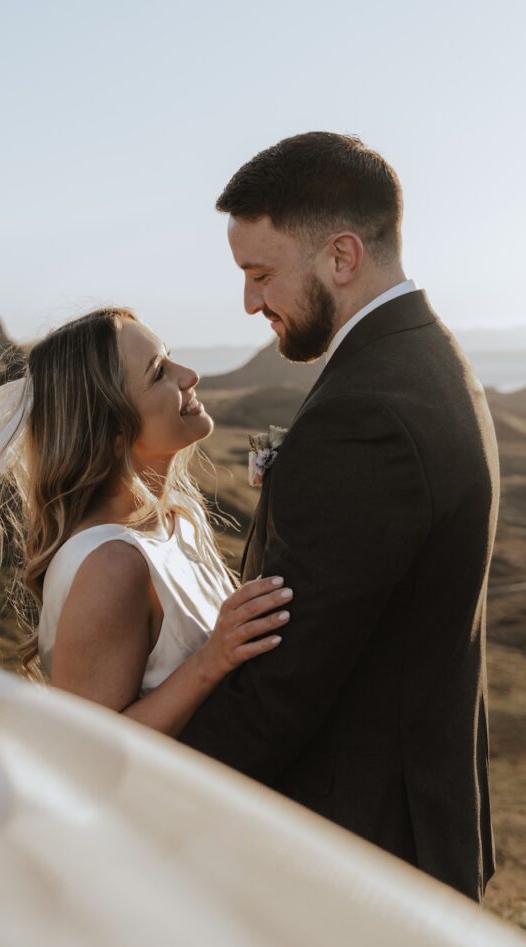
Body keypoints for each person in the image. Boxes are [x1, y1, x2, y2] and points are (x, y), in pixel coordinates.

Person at [177, 131, 499, 903]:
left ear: (341, 257)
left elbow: (287, 685)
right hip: (407, 835)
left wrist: (151, 790)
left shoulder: (368, 413)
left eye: (259, 274)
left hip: (356, 855)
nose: (250, 301)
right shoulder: (428, 358)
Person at [20, 307, 293, 736]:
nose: (189, 375)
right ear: (111, 432)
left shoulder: (178, 517)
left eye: (170, 357)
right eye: (158, 373)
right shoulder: (109, 567)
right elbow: (90, 754)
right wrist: (210, 661)